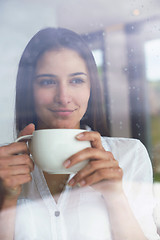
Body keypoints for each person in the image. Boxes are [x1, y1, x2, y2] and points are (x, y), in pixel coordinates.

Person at [0, 27, 159, 240]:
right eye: (47, 81)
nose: (64, 97)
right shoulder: (6, 167)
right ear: (29, 90)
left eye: (76, 80)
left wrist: (115, 197)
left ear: (90, 88)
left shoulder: (129, 154)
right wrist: (6, 200)